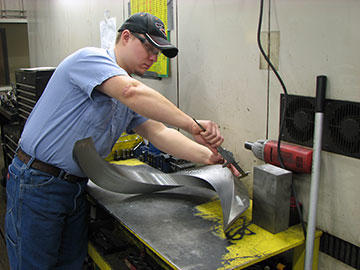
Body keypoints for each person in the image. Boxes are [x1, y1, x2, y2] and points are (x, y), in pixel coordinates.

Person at [5, 12, 239, 269]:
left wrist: (210, 158)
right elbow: (130, 91)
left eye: (158, 53)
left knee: (70, 264)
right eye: (148, 47)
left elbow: (158, 133)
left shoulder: (126, 96)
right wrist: (192, 124)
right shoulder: (90, 60)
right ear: (125, 37)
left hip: (75, 187)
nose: (153, 57)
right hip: (38, 184)